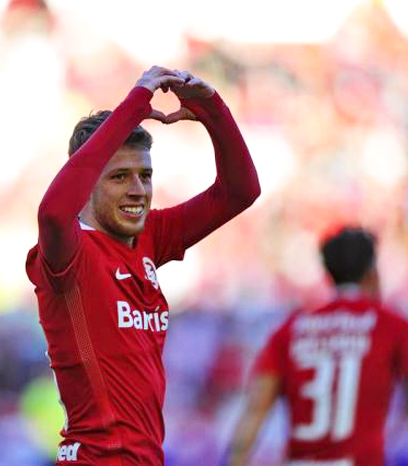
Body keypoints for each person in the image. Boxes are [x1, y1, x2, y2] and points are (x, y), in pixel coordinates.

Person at [26, 65, 261, 464]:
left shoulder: (150, 237)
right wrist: (134, 104)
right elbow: (51, 213)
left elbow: (241, 190)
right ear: (86, 186)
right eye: (119, 176)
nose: (138, 190)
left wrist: (212, 108)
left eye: (145, 175)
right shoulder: (68, 252)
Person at [227, 227, 408, 466]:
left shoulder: (289, 330)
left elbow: (253, 414)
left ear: (329, 274)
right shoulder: (393, 327)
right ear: (372, 272)